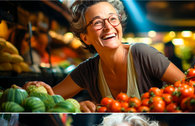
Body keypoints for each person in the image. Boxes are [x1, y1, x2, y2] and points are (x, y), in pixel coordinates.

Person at [25, 0, 185, 112]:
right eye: (97, 23)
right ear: (85, 37)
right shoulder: (87, 70)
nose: (109, 27)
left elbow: (189, 88)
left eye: (113, 19)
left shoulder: (143, 54)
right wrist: (75, 106)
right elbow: (50, 100)